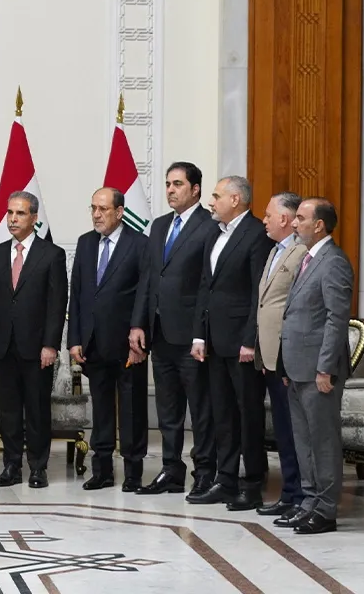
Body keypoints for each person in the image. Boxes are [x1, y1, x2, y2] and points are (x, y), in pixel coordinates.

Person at [130, 162, 219, 497]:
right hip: (159, 332)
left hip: (192, 337)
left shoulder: (209, 226)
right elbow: (149, 278)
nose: (170, 190)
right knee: (168, 410)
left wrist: (201, 332)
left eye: (177, 184)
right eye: (168, 184)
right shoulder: (160, 225)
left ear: (195, 189)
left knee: (200, 408)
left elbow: (206, 286)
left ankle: (205, 472)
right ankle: (171, 470)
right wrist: (138, 323)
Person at [190, 176, 274, 508]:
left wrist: (250, 340)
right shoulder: (214, 233)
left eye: (216, 196)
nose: (211, 202)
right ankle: (225, 480)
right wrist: (199, 334)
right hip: (214, 342)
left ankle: (252, 483)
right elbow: (204, 288)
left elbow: (260, 293)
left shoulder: (256, 235)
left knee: (248, 414)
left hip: (242, 345)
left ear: (236, 199)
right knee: (221, 414)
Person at [0, 191, 68, 488]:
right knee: (9, 410)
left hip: (36, 346)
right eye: (9, 213)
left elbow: (57, 304)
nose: (13, 219)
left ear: (34, 218)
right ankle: (11, 467)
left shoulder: (52, 254)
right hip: (3, 345)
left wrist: (51, 344)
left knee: (38, 409)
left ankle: (38, 467)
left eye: (20, 214)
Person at [276, 198, 352, 535]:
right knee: (303, 440)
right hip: (296, 368)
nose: (294, 224)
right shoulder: (308, 259)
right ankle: (308, 503)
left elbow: (337, 319)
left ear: (318, 224)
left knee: (322, 441)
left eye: (301, 219)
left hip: (319, 370)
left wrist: (325, 369)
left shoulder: (333, 262)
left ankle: (326, 509)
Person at [67, 187, 150, 492]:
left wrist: (139, 330)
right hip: (92, 343)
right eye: (93, 208)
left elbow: (145, 292)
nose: (97, 215)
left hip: (128, 345)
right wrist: (74, 338)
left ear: (119, 212)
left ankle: (133, 472)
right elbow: (77, 293)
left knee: (131, 409)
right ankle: (101, 470)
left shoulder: (139, 244)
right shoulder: (86, 243)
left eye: (103, 209)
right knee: (101, 410)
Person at [253, 192, 307, 518]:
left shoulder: (300, 253)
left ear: (285, 219)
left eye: (269, 214)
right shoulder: (274, 251)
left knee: (295, 431)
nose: (264, 219)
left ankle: (301, 496)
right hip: (271, 357)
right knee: (284, 431)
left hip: (289, 357)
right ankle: (289, 494)